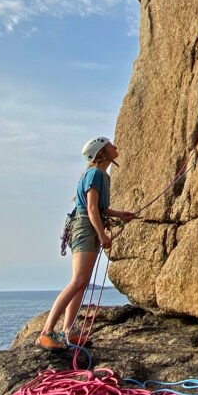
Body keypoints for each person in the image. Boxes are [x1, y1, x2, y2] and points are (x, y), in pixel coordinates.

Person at [37, 137, 135, 350]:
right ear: (102, 152)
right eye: (110, 145)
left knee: (82, 283)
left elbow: (99, 208)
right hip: (84, 227)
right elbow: (91, 209)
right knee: (78, 280)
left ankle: (66, 331)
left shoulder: (102, 176)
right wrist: (102, 235)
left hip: (88, 225)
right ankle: (46, 332)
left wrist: (121, 215)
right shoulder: (94, 174)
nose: (115, 146)